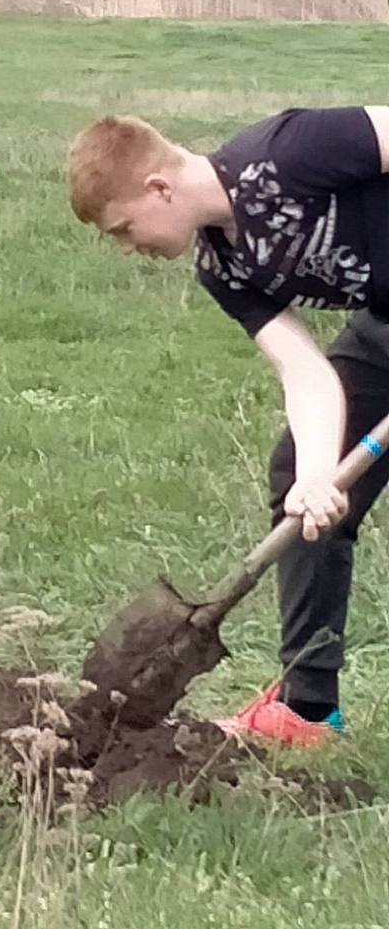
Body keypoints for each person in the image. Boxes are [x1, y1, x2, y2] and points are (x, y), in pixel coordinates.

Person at [66, 106, 389, 745]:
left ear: (159, 188)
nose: (131, 248)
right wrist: (319, 475)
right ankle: (308, 711)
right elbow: (305, 370)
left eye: (125, 229)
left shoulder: (287, 153)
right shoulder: (225, 268)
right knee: (297, 479)